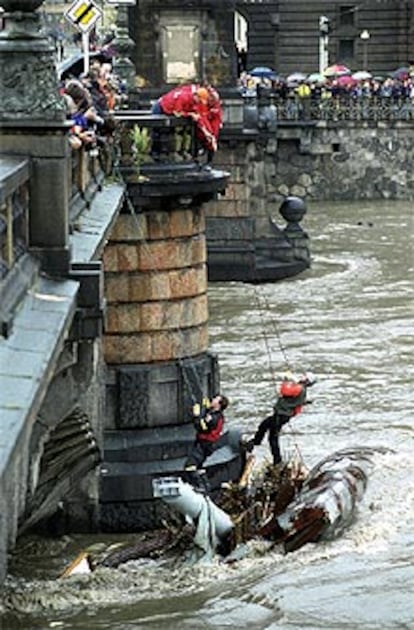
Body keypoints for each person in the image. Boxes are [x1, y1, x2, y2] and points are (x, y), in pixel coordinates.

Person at [251, 374, 315, 465]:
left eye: (304, 376)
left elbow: (284, 391)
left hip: (281, 415)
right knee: (266, 427)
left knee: (271, 435)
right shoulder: (301, 389)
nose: (302, 376)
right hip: (284, 415)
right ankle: (257, 444)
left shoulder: (299, 388)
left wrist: (286, 381)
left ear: (307, 381)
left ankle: (275, 459)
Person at [151, 83, 222, 160]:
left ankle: (176, 152)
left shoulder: (195, 102)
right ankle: (155, 153)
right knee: (157, 130)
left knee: (177, 132)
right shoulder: (184, 97)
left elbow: (199, 118)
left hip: (170, 111)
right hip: (161, 107)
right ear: (196, 96)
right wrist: (190, 114)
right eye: (199, 100)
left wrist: (207, 134)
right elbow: (177, 112)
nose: (199, 102)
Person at [184, 394, 229, 490]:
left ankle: (200, 486)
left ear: (219, 405)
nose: (212, 399)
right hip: (204, 444)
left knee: (190, 466)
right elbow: (205, 419)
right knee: (199, 466)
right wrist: (205, 408)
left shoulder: (214, 418)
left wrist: (196, 416)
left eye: (215, 399)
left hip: (204, 444)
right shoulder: (215, 414)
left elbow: (201, 427)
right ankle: (206, 485)